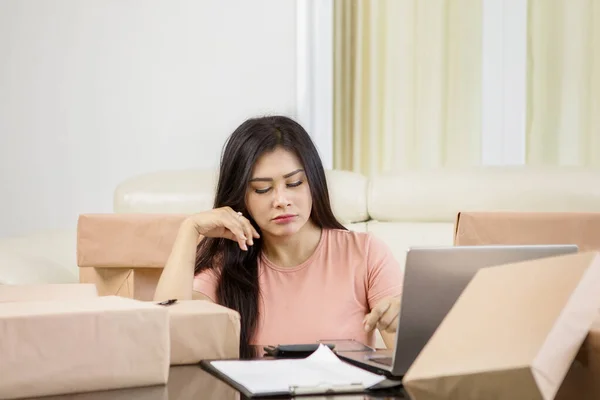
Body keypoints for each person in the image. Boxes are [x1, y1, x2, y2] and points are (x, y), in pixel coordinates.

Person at [154, 115, 403, 358]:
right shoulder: (225, 267)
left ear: (313, 183)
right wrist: (190, 229)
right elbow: (167, 335)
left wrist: (404, 321)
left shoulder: (366, 253)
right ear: (242, 196)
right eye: (262, 189)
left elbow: (412, 366)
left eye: (294, 183)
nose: (281, 201)